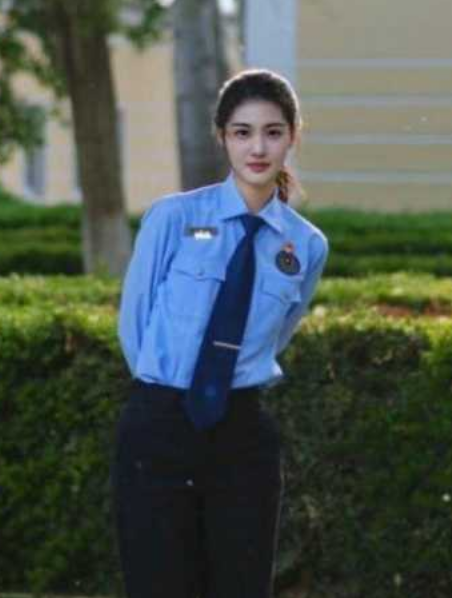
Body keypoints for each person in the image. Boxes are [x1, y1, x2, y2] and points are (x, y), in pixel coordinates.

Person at [114, 68, 330, 598]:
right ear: (222, 137)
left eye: (273, 132)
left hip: (242, 434)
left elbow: (278, 334)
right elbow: (135, 322)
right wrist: (169, 395)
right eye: (243, 132)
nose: (258, 147)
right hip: (159, 424)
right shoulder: (173, 218)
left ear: (293, 137)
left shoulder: (306, 245)